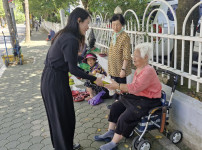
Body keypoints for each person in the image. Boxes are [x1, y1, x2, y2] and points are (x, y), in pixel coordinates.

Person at [41, 7, 103, 150]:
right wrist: (94, 79)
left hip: (53, 79)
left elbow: (68, 59)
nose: (88, 27)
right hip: (54, 81)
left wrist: (83, 57)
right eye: (87, 23)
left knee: (65, 117)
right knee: (61, 118)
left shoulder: (66, 35)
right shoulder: (70, 38)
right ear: (78, 21)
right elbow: (72, 68)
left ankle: (65, 145)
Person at [94, 43, 162, 150]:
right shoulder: (139, 68)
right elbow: (133, 89)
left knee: (125, 117)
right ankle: (111, 132)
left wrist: (118, 85)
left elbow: (135, 88)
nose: (133, 58)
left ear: (145, 57)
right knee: (115, 107)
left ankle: (114, 143)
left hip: (149, 100)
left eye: (136, 56)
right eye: (133, 55)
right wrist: (117, 88)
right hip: (137, 97)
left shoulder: (149, 70)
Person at [107, 13, 132, 104]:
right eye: (113, 24)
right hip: (113, 67)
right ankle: (116, 104)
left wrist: (123, 69)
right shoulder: (114, 34)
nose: (115, 27)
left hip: (121, 69)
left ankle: (121, 105)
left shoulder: (125, 37)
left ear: (122, 24)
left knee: (121, 87)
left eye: (117, 24)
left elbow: (126, 55)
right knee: (114, 86)